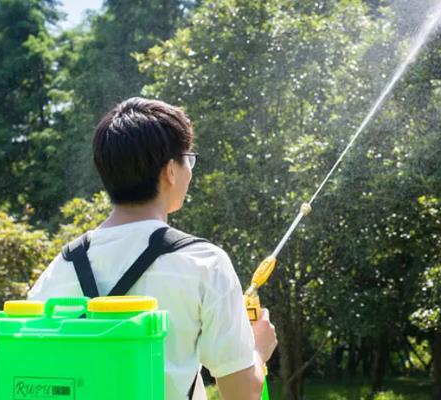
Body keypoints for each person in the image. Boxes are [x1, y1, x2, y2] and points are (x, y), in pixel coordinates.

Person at [28, 97, 278, 400]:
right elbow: (241, 394)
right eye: (189, 159)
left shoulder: (59, 269)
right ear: (170, 170)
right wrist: (257, 350)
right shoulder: (204, 263)